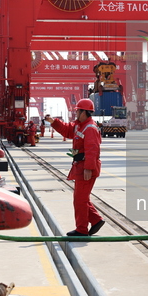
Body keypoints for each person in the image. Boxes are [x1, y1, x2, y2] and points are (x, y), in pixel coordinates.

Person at [44, 99, 105, 236]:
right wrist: (53, 122)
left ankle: (81, 230)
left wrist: (88, 168)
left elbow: (92, 150)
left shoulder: (90, 128)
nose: (75, 112)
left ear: (84, 112)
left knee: (80, 199)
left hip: (86, 168)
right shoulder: (79, 126)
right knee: (82, 198)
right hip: (80, 166)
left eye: (77, 110)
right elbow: (67, 131)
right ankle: (95, 220)